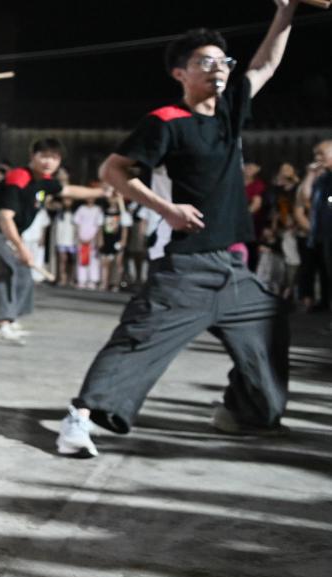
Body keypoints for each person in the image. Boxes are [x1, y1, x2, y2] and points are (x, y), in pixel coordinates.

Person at [57, 6, 297, 458]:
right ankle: (78, 420)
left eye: (223, 61)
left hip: (233, 268)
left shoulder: (230, 112)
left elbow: (265, 64)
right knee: (139, 340)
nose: (217, 68)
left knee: (270, 322)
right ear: (180, 73)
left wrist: (286, 11)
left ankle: (245, 413)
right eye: (205, 61)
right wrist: (166, 209)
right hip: (186, 264)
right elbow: (113, 170)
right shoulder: (166, 121)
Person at [0, 139, 103, 345]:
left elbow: (69, 191)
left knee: (23, 272)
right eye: (44, 156)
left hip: (6, 233)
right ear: (33, 156)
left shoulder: (45, 181)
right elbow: (5, 217)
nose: (49, 162)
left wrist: (102, 192)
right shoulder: (19, 177)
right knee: (6, 268)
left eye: (54, 158)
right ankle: (1, 324)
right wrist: (22, 249)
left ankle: (11, 317)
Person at [297, 140, 332, 311]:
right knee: (327, 272)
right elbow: (305, 197)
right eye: (316, 154)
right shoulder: (323, 178)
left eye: (321, 154)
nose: (317, 158)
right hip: (324, 234)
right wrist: (310, 175)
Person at [99, 189, 130, 291]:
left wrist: (123, 241)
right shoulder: (103, 212)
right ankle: (104, 282)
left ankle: (116, 283)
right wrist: (100, 239)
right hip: (107, 239)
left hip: (117, 239)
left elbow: (125, 228)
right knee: (105, 262)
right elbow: (100, 227)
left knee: (118, 262)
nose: (113, 199)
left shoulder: (123, 213)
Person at [73, 195, 104, 289]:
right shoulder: (81, 209)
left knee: (93, 259)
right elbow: (77, 224)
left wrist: (96, 239)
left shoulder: (98, 210)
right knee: (82, 259)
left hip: (93, 238)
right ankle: (82, 280)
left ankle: (93, 280)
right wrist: (79, 237)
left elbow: (99, 225)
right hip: (82, 239)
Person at [53, 197, 78, 286]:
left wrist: (76, 239)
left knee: (71, 261)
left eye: (69, 200)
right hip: (61, 241)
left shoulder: (75, 213)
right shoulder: (59, 213)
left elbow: (77, 228)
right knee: (62, 260)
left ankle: (71, 279)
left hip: (72, 241)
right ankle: (62, 278)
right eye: (65, 200)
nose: (67, 202)